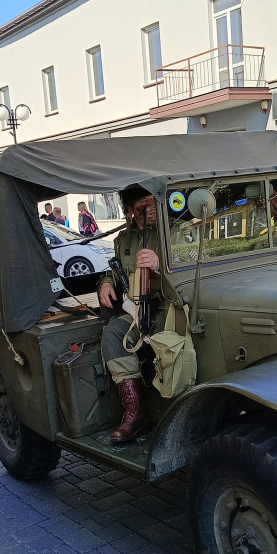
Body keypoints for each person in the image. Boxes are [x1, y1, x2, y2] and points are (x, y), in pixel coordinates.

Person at [98, 186, 169, 445]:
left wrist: (159, 264)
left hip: (168, 306)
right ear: (129, 210)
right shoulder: (123, 240)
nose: (151, 210)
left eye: (153, 203)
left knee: (165, 336)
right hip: (137, 308)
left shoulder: (172, 231)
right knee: (113, 333)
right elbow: (115, 269)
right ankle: (134, 412)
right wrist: (106, 283)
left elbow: (193, 261)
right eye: (143, 205)